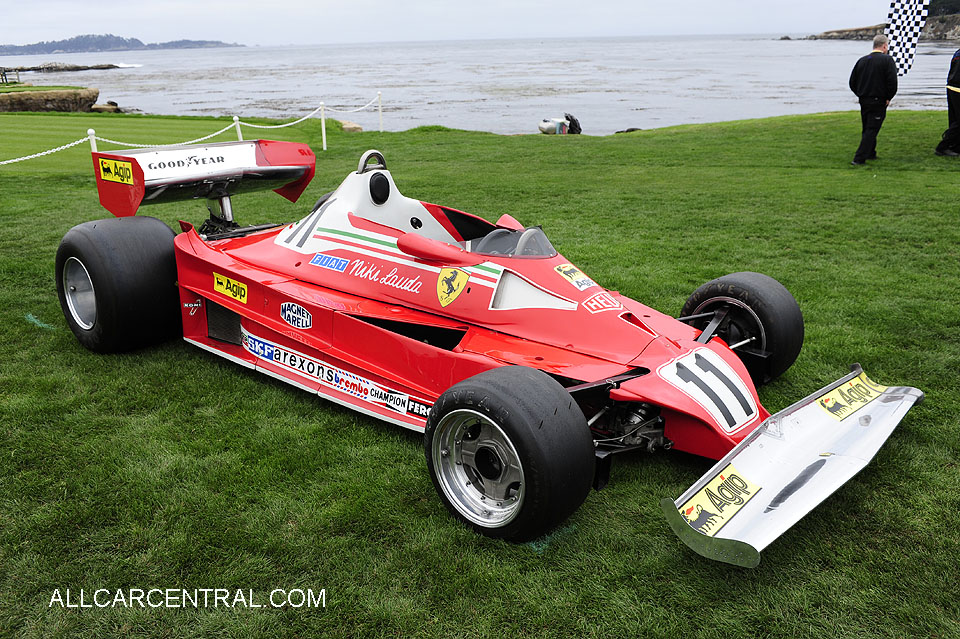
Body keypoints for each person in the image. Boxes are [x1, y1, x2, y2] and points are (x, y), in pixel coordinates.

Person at [849, 34, 898, 166]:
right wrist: (889, 97)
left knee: (867, 127)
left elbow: (852, 82)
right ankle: (859, 158)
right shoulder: (887, 60)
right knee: (872, 129)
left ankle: (871, 152)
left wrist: (860, 94)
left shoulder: (862, 60)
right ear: (884, 46)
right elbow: (892, 81)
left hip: (864, 99)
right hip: (878, 100)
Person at [934, 47, 960, 157]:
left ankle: (955, 146)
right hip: (958, 88)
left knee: (954, 118)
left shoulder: (957, 53)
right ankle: (943, 146)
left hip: (951, 87)